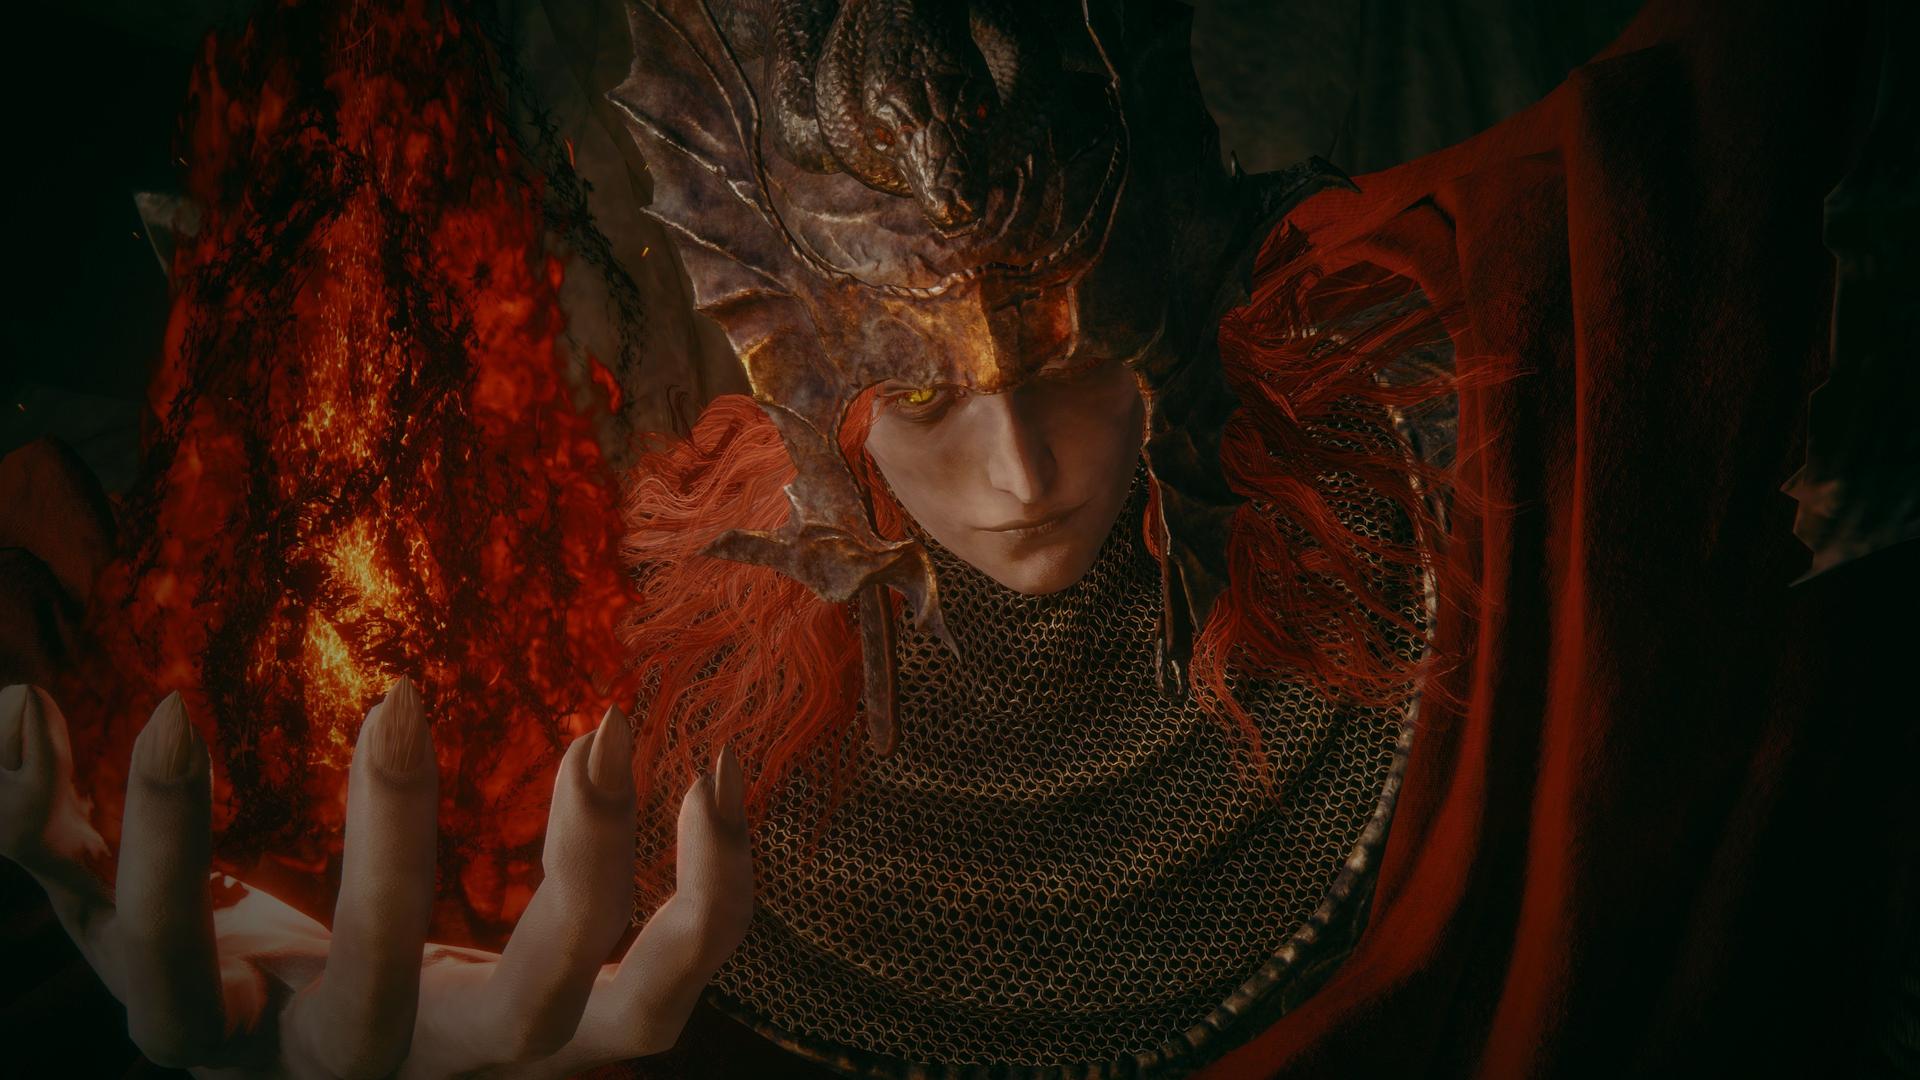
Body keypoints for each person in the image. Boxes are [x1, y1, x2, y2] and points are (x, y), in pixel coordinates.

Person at [3, 0, 1909, 1077]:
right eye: (921, 397)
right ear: (799, 364)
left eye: (1068, 361)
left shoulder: (1424, 365)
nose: (1012, 469)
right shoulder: (663, 691)